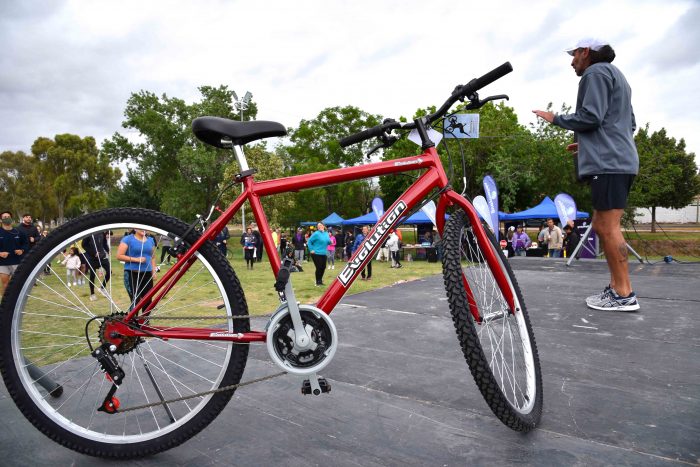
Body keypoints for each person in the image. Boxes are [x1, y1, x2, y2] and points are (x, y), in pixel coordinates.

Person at [533, 37, 640, 311]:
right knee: (601, 223)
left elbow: (591, 117)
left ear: (585, 52)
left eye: (574, 55)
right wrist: (587, 142)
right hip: (619, 159)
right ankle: (617, 289)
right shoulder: (619, 77)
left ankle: (624, 293)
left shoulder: (595, 72)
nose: (572, 62)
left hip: (609, 163)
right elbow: (628, 123)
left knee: (609, 227)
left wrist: (555, 118)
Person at [117, 228, 157, 310]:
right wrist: (136, 259)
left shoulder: (151, 240)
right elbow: (119, 256)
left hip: (147, 274)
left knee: (148, 300)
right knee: (136, 300)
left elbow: (152, 257)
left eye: (145, 227)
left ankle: (145, 321)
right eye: (140, 227)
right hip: (132, 274)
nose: (143, 229)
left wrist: (154, 271)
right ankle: (131, 321)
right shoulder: (127, 239)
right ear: (135, 228)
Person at [0, 211, 28, 296]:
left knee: (17, 284)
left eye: (8, 217)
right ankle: (5, 305)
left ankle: (15, 303)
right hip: (3, 263)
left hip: (17, 262)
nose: (6, 218)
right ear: (1, 220)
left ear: (11, 219)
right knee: (5, 285)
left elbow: (26, 244)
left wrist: (21, 250)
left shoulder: (19, 232)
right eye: (4, 217)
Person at [82, 232, 112, 302]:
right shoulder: (89, 233)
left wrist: (107, 250)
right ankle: (92, 294)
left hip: (102, 256)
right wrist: (93, 252)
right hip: (92, 258)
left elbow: (104, 243)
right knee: (92, 275)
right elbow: (84, 245)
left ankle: (102, 288)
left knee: (109, 272)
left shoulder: (102, 231)